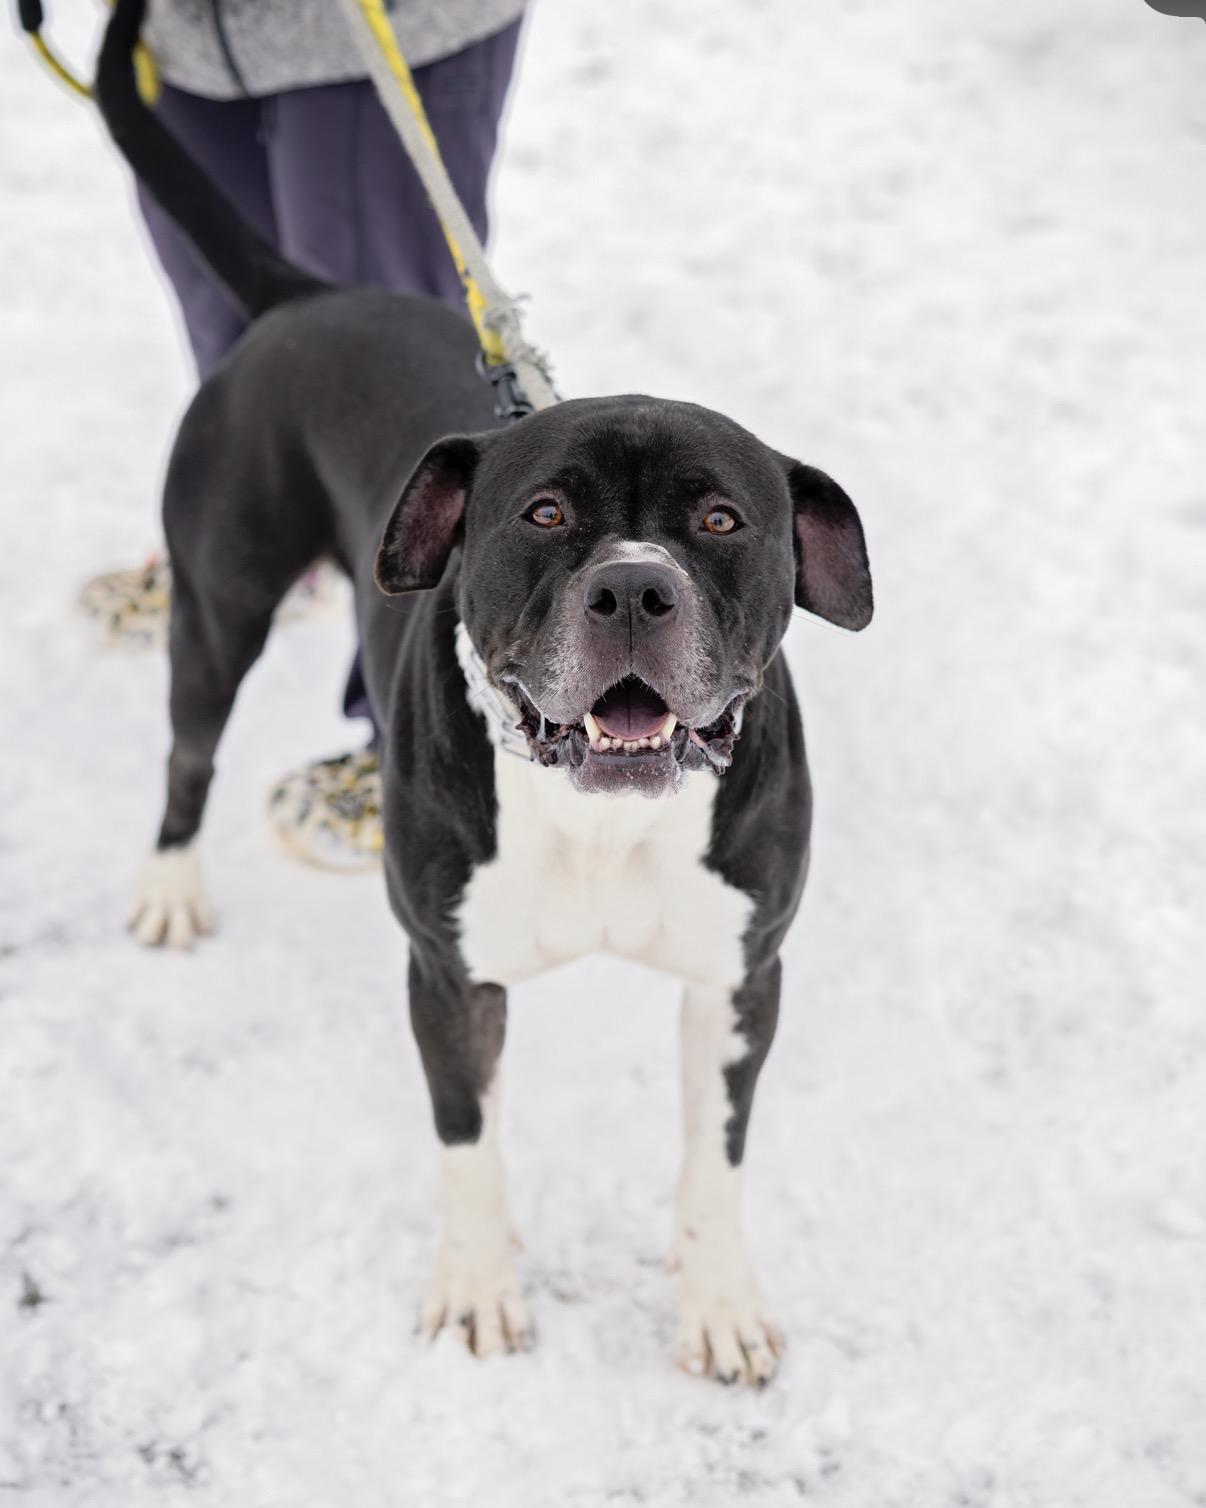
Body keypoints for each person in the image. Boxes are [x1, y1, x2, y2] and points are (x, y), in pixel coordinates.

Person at [84, 0, 525, 869]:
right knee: (252, 352)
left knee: (391, 393)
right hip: (181, 34)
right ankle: (259, 548)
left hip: (384, 26)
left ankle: (402, 735)